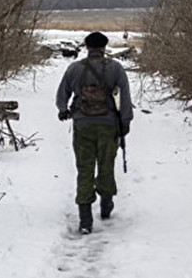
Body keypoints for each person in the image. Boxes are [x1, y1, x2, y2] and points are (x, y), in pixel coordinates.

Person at [56, 31, 133, 234]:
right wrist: (125, 122)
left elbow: (61, 94)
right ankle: (106, 207)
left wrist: (63, 110)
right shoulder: (115, 68)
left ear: (86, 46)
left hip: (82, 125)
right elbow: (124, 96)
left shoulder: (75, 68)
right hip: (108, 125)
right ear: (104, 47)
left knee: (84, 168)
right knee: (106, 165)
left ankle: (85, 220)